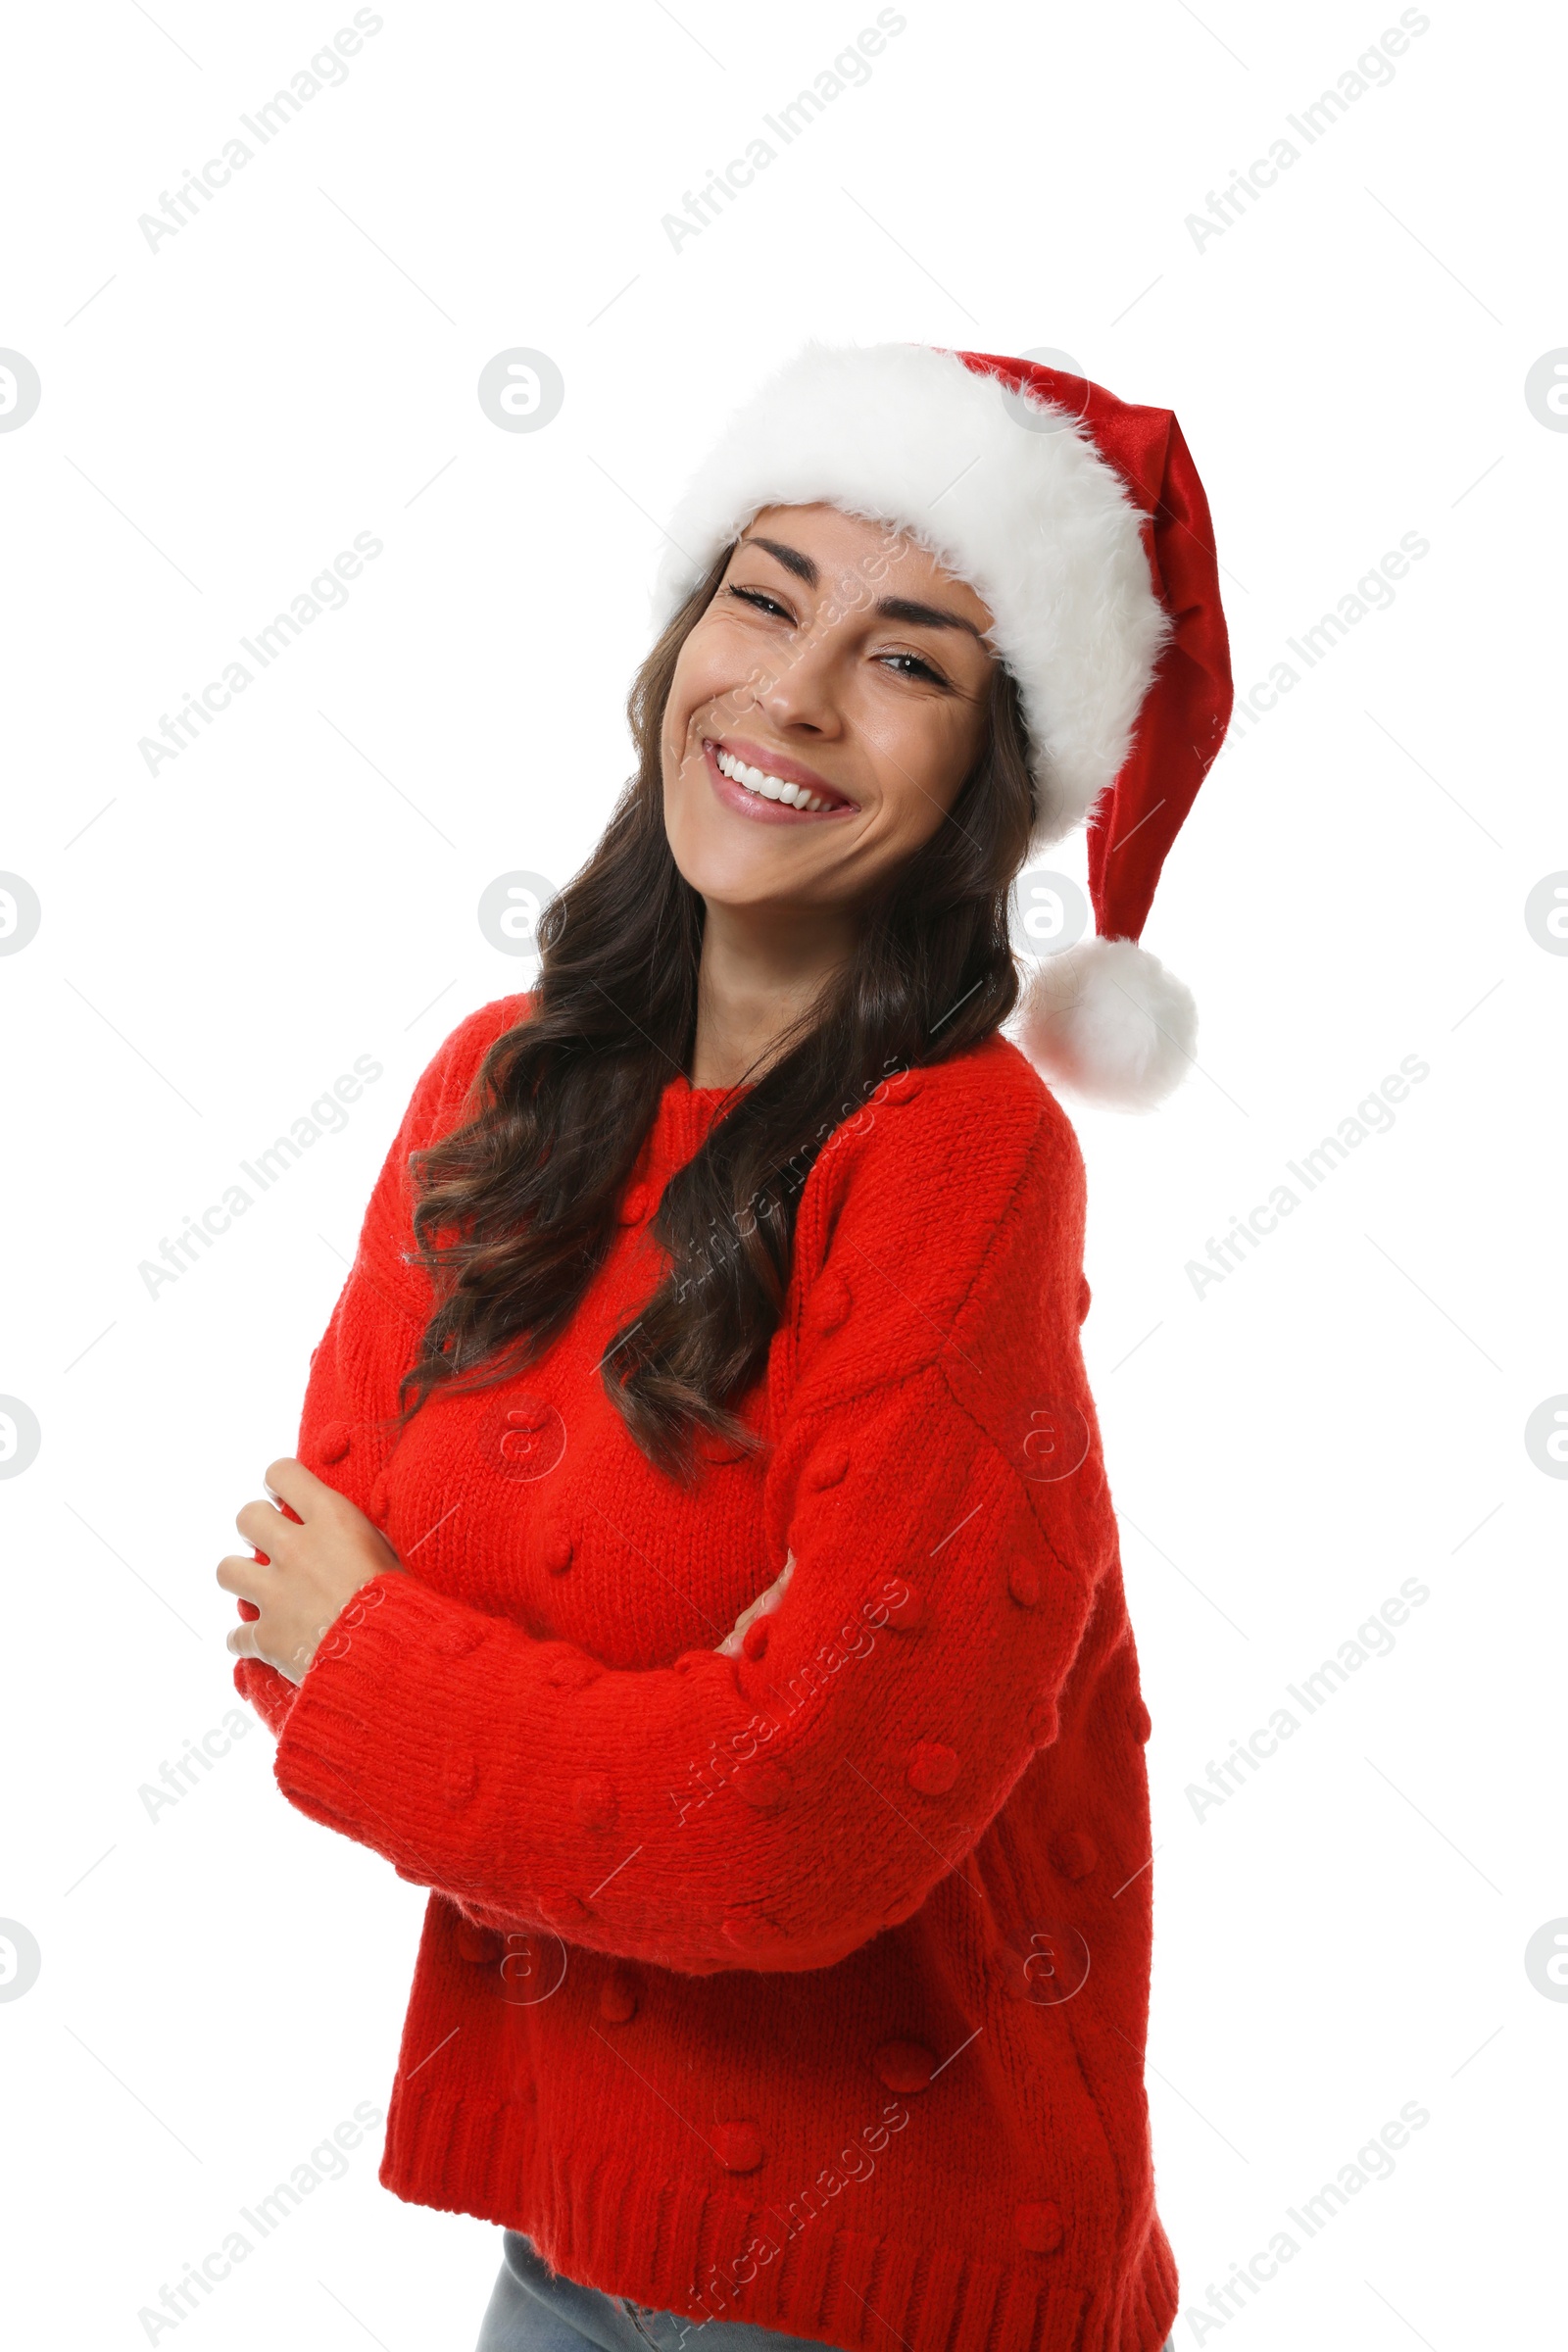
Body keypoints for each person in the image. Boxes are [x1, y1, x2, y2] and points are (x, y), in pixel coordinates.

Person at [220, 340, 1231, 2352]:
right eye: (763, 597)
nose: (788, 689)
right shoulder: (493, 1090)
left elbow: (799, 1826)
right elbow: (282, 1620)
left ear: (990, 776)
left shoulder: (953, 1157)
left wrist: (414, 1672)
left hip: (886, 2293)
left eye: (907, 659)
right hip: (559, 2252)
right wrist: (667, 1717)